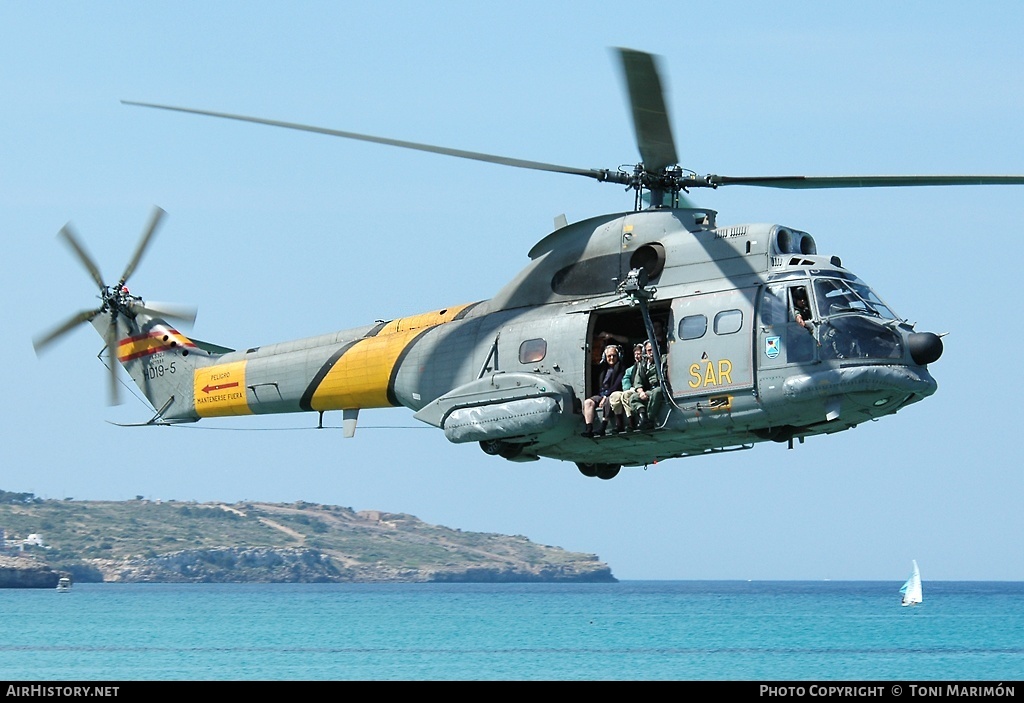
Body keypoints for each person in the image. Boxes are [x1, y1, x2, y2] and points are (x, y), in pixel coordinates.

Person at [581, 344, 625, 438]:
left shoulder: (621, 368)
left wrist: (605, 397)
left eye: (614, 355)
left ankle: (603, 426)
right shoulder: (602, 369)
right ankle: (589, 428)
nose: (612, 358)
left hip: (613, 393)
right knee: (588, 402)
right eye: (609, 356)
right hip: (601, 393)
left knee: (609, 400)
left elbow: (617, 384)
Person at [628, 340, 666, 430]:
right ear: (645, 352)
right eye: (649, 350)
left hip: (659, 388)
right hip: (649, 391)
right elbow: (638, 381)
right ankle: (643, 418)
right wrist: (641, 392)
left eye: (653, 350)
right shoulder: (643, 364)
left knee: (657, 391)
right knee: (633, 398)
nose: (651, 353)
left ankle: (650, 418)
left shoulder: (662, 359)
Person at [609, 343, 644, 434]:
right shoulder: (630, 370)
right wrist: (629, 388)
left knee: (626, 394)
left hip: (641, 391)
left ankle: (631, 422)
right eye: (635, 354)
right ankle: (619, 423)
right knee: (615, 395)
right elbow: (625, 380)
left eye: (639, 353)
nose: (637, 356)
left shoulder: (645, 367)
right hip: (631, 390)